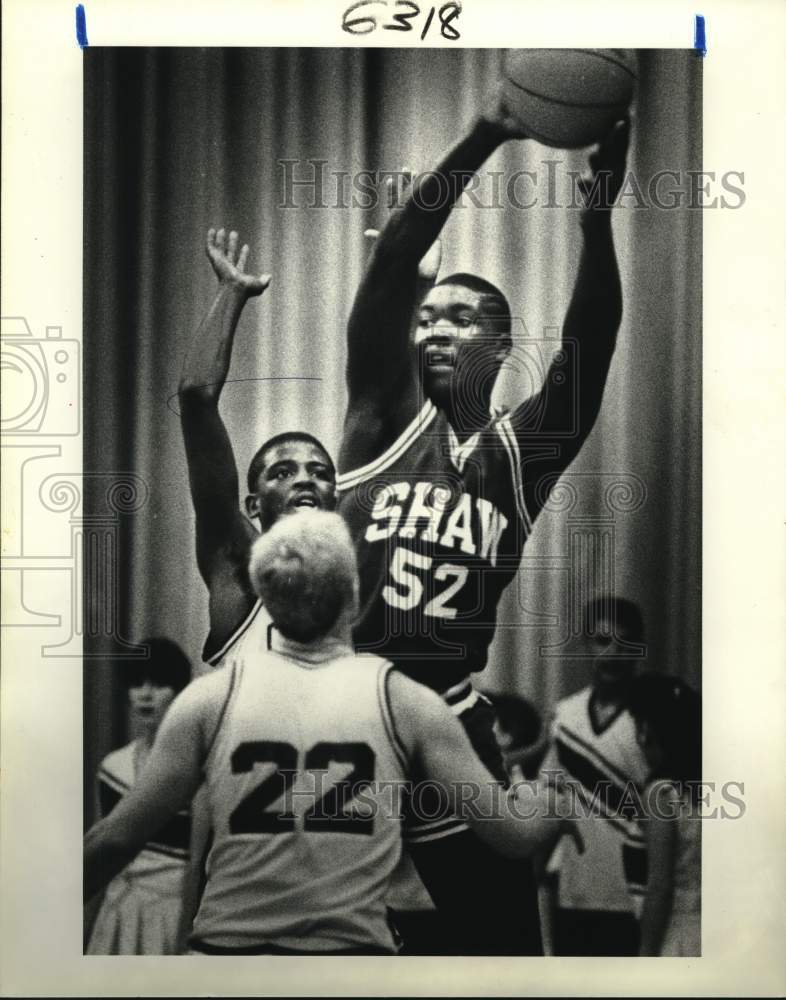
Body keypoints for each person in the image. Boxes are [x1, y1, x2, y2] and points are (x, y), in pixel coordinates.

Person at [336, 85, 631, 953]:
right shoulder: (381, 413)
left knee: (497, 940)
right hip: (349, 704)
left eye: (459, 318)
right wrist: (484, 136)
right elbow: (394, 265)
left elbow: (594, 346)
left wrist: (596, 222)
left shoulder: (520, 452)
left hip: (452, 714)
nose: (433, 328)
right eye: (428, 318)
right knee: (325, 932)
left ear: (499, 348)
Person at [84, 511, 579, 955]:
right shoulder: (405, 701)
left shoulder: (207, 699)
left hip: (228, 958)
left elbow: (112, 841)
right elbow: (512, 838)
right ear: (357, 594)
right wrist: (552, 805)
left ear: (267, 599)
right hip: (345, 962)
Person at [177, 226, 339, 942]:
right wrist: (232, 296)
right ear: (252, 507)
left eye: (319, 470)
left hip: (345, 894)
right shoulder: (239, 577)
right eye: (282, 471)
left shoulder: (362, 594)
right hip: (246, 895)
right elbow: (193, 398)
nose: (305, 477)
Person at [537, 596, 650, 957]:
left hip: (634, 896)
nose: (613, 653)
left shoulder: (653, 717)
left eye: (624, 643)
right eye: (602, 641)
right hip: (575, 891)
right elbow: (546, 802)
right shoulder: (566, 715)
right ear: (587, 645)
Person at [85, 638, 192, 955]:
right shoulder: (113, 768)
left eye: (158, 683)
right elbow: (100, 858)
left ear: (179, 691)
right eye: (136, 683)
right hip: (118, 912)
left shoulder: (196, 770)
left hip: (171, 913)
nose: (145, 693)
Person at [628, 673, 701, 957]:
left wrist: (646, 953)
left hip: (676, 934)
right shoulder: (699, 788)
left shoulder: (661, 793)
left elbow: (660, 886)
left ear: (646, 730)